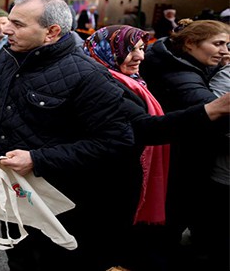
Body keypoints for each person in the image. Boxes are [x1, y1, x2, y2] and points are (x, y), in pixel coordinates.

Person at [0, 0, 141, 270]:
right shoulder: (10, 56)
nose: (7, 29)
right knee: (19, 258)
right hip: (10, 191)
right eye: (9, 20)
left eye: (19, 24)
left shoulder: (89, 76)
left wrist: (37, 159)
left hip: (57, 202)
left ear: (51, 32)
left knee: (53, 262)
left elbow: (115, 143)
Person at [84, 25, 230, 270]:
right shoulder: (106, 84)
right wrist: (212, 109)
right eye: (130, 50)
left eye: (141, 49)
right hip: (114, 182)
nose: (140, 56)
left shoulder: (131, 79)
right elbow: (146, 128)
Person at [140, 19, 230, 271]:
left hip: (175, 154)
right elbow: (205, 107)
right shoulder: (179, 71)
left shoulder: (178, 59)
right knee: (168, 221)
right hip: (174, 157)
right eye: (218, 44)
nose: (225, 51)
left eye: (227, 44)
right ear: (190, 44)